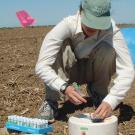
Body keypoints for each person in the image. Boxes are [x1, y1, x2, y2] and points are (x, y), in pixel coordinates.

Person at [35, 0, 134, 123]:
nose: (93, 27)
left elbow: (127, 70)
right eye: (90, 21)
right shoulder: (67, 25)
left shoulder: (111, 30)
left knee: (107, 49)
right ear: (81, 11)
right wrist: (64, 87)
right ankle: (51, 101)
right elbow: (41, 66)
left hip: (92, 72)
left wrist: (112, 101)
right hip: (69, 76)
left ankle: (98, 93)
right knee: (60, 47)